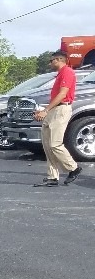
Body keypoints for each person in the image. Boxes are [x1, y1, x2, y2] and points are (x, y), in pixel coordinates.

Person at [33, 51, 82, 186]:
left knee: (55, 143)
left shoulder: (67, 72)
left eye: (51, 61)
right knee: (47, 144)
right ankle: (53, 177)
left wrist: (46, 110)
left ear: (59, 60)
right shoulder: (60, 74)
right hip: (54, 110)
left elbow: (62, 94)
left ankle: (74, 168)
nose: (50, 63)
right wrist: (43, 111)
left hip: (61, 109)